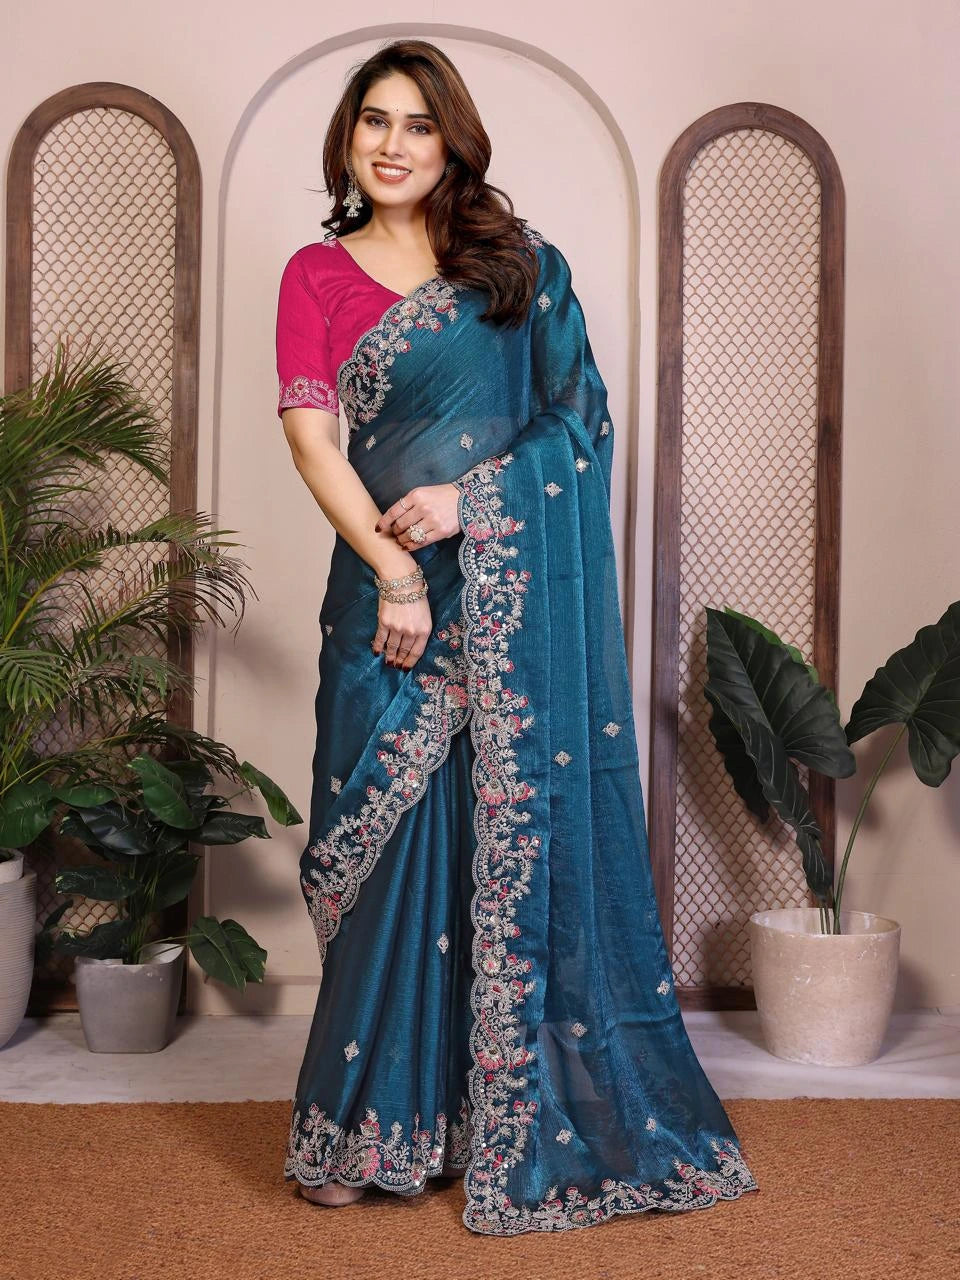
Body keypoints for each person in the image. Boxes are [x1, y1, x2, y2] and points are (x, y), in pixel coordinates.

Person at [275, 38, 758, 1237]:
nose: (390, 144)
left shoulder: (518, 270)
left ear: (453, 142)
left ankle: (480, 1116)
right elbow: (312, 442)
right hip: (384, 611)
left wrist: (464, 503)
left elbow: (577, 428)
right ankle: (366, 1123)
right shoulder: (315, 274)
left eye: (416, 125)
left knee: (485, 851)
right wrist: (396, 568)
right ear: (348, 139)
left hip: (506, 608)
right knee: (384, 865)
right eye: (372, 121)